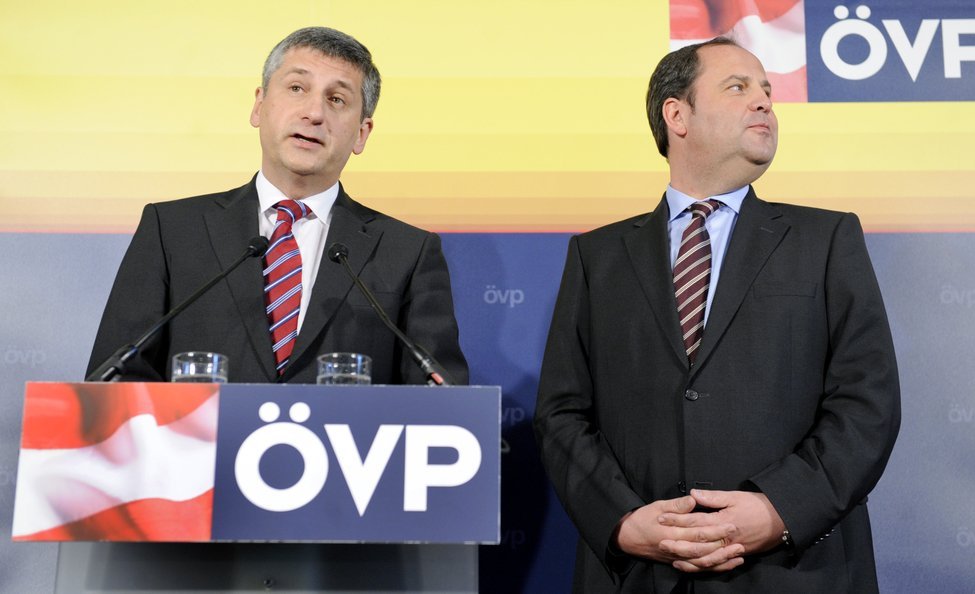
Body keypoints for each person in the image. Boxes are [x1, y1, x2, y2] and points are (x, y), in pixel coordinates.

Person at [533, 37, 900, 593]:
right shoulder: (596, 257)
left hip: (793, 573)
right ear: (677, 115)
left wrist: (780, 508)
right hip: (642, 577)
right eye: (738, 87)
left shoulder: (826, 239)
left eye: (767, 91)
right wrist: (623, 521)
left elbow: (868, 402)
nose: (764, 102)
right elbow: (562, 414)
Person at [88, 26, 468, 385]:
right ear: (259, 105)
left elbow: (441, 403)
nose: (314, 113)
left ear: (361, 133)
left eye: (336, 99)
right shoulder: (172, 230)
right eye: (297, 88)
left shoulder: (408, 253)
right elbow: (114, 383)